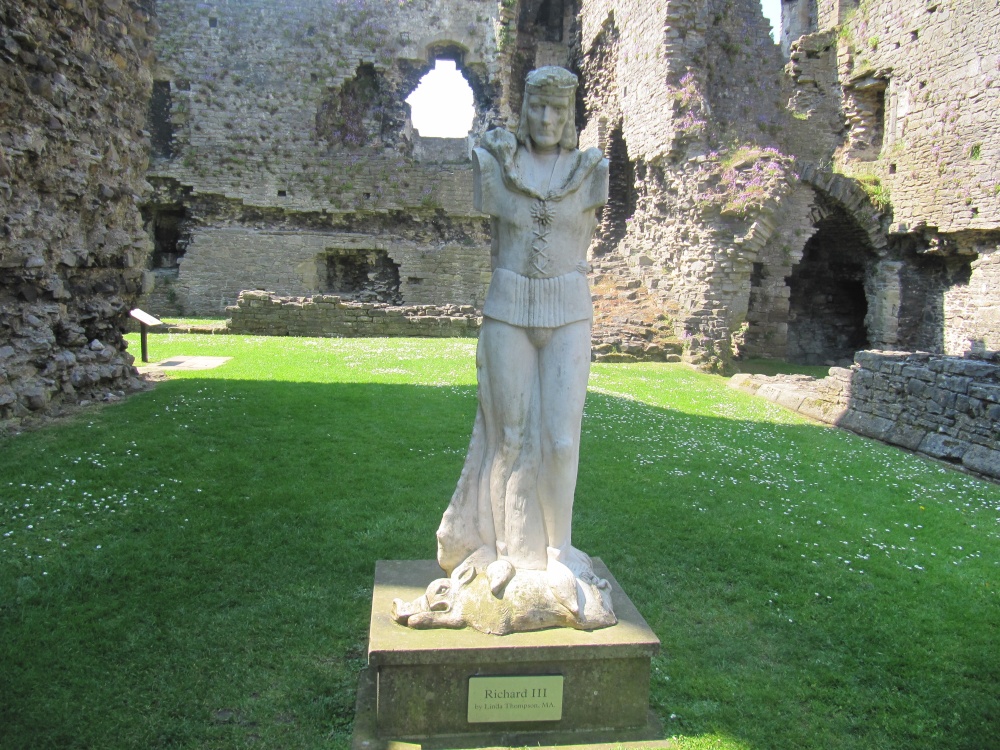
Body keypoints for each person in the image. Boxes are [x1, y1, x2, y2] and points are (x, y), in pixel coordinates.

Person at [436, 67, 610, 609]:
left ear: (570, 113)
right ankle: (508, 548)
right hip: (508, 305)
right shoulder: (495, 164)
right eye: (538, 108)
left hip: (568, 307)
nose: (548, 120)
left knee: (560, 440)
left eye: (558, 110)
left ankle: (559, 548)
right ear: (524, 108)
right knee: (508, 437)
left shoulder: (590, 170)